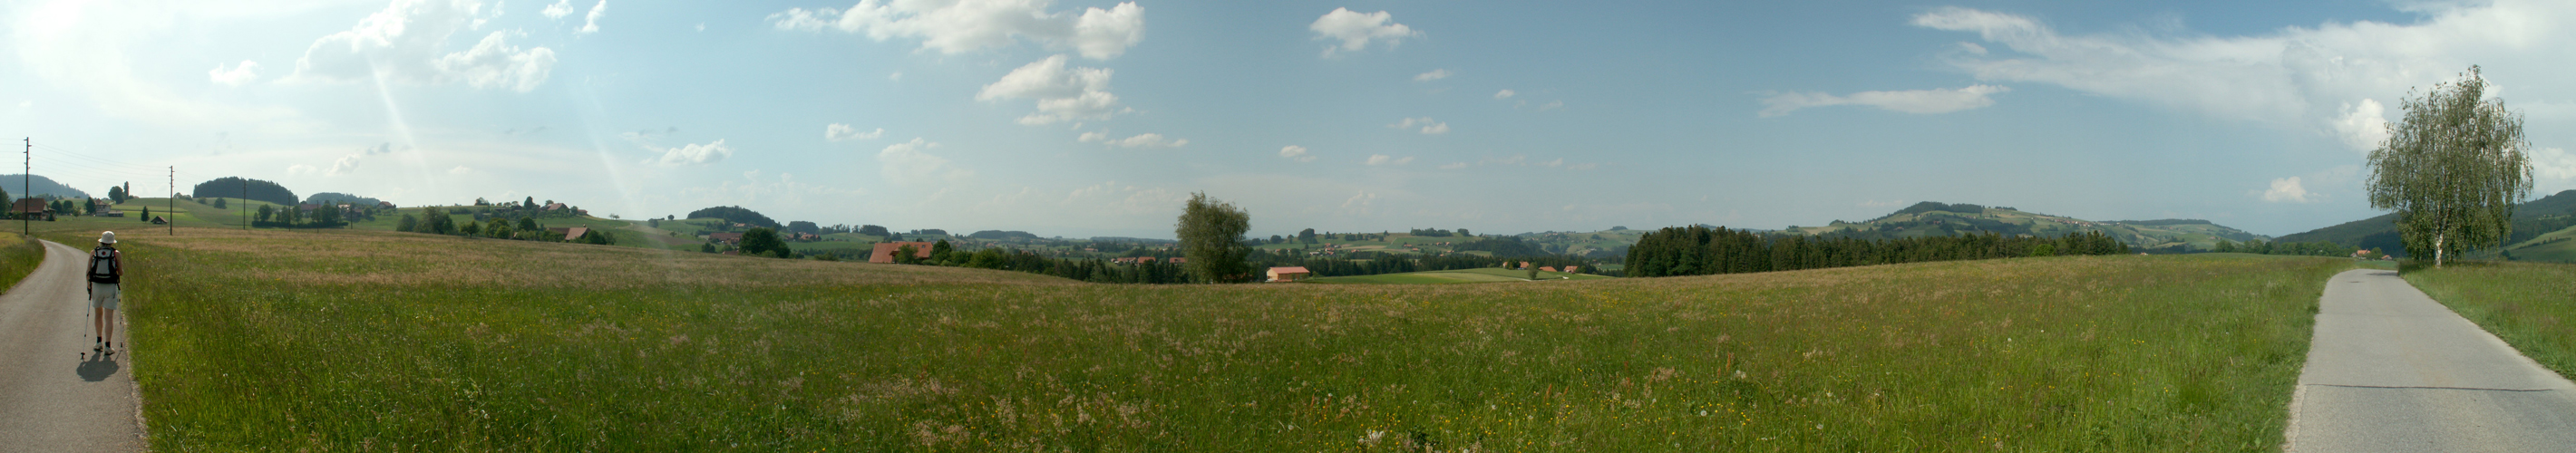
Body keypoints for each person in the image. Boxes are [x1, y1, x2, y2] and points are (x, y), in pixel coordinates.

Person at [88, 231, 122, 352]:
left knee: (98, 314)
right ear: (112, 242)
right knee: (109, 317)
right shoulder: (116, 253)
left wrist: (89, 286)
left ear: (101, 241)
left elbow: (88, 272)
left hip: (97, 286)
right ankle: (108, 346)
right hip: (110, 287)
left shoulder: (94, 252)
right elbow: (121, 272)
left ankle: (98, 342)